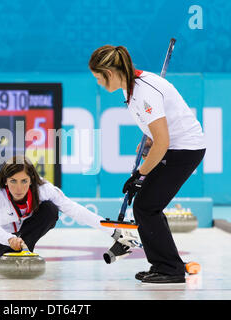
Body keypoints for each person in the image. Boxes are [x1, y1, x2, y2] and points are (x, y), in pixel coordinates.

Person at [89, 45, 206, 284]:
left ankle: (169, 268)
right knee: (148, 205)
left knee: (146, 206)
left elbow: (163, 142)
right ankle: (167, 264)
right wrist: (149, 141)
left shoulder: (143, 92)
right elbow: (159, 134)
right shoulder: (132, 88)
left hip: (184, 149)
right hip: (176, 146)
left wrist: (140, 175)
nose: (99, 83)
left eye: (99, 78)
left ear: (109, 73)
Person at [0, 156, 134, 270]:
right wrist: (9, 239)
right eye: (13, 181)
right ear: (5, 181)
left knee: (50, 210)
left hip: (24, 233)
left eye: (24, 181)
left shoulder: (43, 189)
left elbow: (74, 209)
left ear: (31, 180)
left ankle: (24, 250)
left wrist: (113, 231)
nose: (18, 188)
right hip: (3, 235)